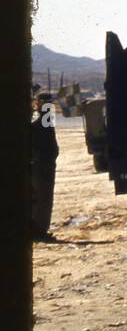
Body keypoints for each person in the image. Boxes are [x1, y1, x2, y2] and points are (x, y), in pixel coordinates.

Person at [31, 85, 59, 239]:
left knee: (42, 198)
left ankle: (39, 229)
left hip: (43, 163)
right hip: (42, 163)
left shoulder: (47, 117)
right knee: (43, 198)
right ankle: (39, 230)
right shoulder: (47, 118)